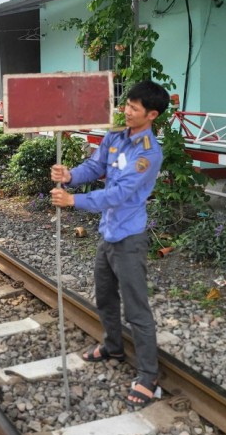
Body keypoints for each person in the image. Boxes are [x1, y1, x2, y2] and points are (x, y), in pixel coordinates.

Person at [50, 80, 169, 408]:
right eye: (127, 104)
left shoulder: (148, 154)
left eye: (134, 108)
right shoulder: (115, 136)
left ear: (152, 115)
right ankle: (113, 347)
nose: (126, 111)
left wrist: (73, 200)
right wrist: (70, 176)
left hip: (129, 238)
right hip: (108, 233)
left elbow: (118, 194)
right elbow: (95, 166)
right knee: (104, 296)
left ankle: (149, 376)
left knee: (136, 309)